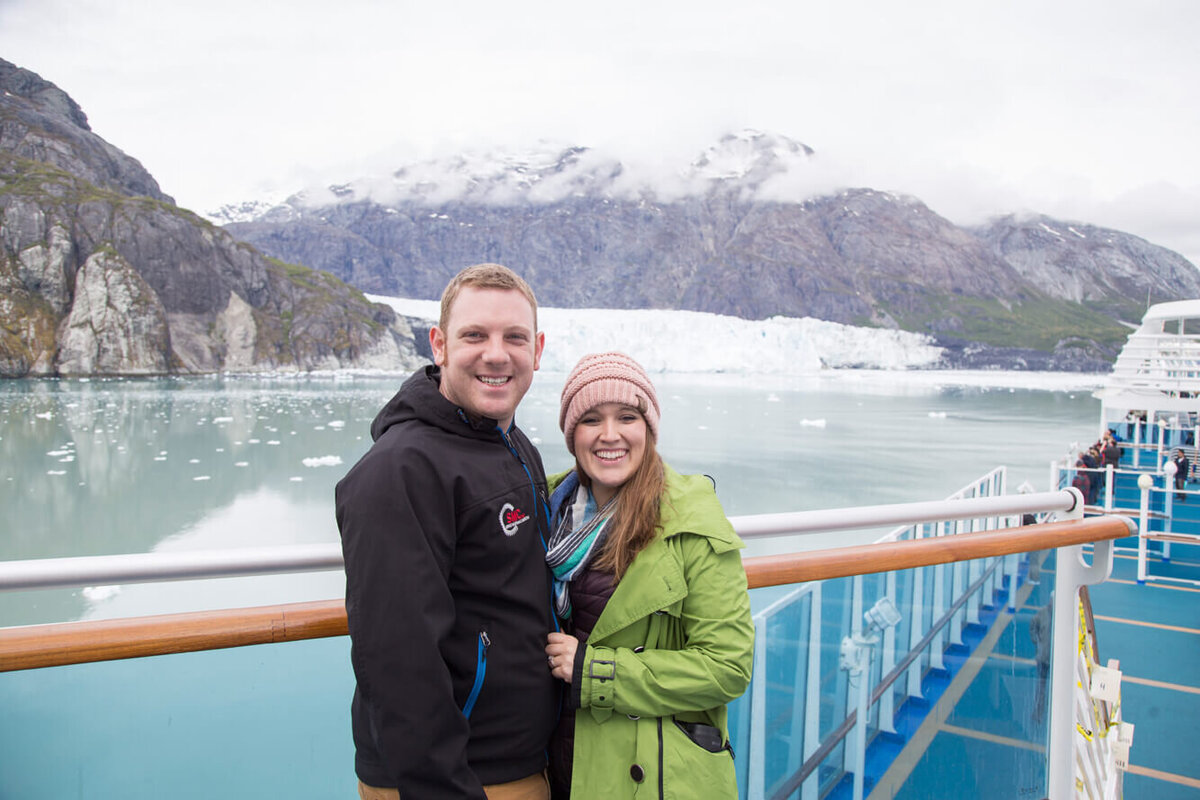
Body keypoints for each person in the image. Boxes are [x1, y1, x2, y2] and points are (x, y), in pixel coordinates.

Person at [336, 264, 556, 799]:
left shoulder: (509, 443)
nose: (496, 354)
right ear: (439, 344)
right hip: (460, 776)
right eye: (474, 335)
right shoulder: (402, 469)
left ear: (538, 349)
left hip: (519, 758)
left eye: (514, 337)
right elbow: (397, 658)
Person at [541, 352, 754, 799]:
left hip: (649, 775)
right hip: (557, 759)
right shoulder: (548, 509)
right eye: (591, 419)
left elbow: (728, 666)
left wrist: (594, 670)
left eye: (627, 417)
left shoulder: (689, 523)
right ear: (571, 433)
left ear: (649, 429)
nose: (609, 435)